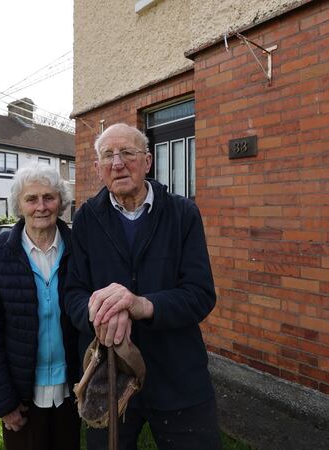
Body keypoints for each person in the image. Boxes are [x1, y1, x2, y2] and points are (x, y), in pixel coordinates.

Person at [65, 123, 221, 450]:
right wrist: (101, 315)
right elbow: (73, 294)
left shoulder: (183, 214)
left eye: (127, 153)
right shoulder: (86, 219)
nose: (118, 163)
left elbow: (201, 294)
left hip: (178, 373)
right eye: (108, 156)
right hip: (109, 375)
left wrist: (141, 305)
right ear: (98, 168)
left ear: (147, 162)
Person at [0, 163, 80, 450]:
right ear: (19, 205)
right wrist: (3, 402)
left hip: (74, 391)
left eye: (49, 197)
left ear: (61, 202)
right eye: (31, 199)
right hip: (21, 397)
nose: (41, 207)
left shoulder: (80, 248)